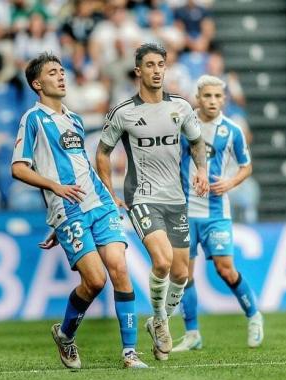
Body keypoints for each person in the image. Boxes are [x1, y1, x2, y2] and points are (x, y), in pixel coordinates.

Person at [11, 52, 147, 370]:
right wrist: (55, 194)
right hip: (67, 208)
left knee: (119, 269)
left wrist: (108, 194)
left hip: (98, 202)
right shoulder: (33, 119)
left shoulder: (73, 119)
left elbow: (82, 165)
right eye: (53, 73)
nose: (61, 76)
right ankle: (66, 335)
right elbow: (18, 168)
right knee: (95, 281)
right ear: (37, 83)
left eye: (62, 71)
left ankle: (130, 353)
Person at [95, 43, 209, 361]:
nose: (157, 70)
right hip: (142, 196)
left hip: (176, 198)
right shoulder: (124, 113)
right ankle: (160, 321)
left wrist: (201, 169)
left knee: (182, 273)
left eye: (161, 64)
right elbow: (102, 153)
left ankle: (159, 321)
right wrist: (108, 191)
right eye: (150, 65)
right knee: (162, 261)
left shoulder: (182, 109)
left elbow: (197, 142)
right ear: (138, 71)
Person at [173, 75, 263, 352]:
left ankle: (254, 316)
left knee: (225, 269)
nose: (212, 101)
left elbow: (246, 166)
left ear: (224, 99)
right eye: (207, 96)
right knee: (183, 275)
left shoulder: (232, 130)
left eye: (217, 96)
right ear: (197, 98)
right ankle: (192, 334)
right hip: (185, 211)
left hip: (216, 212)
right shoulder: (184, 127)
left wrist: (230, 182)